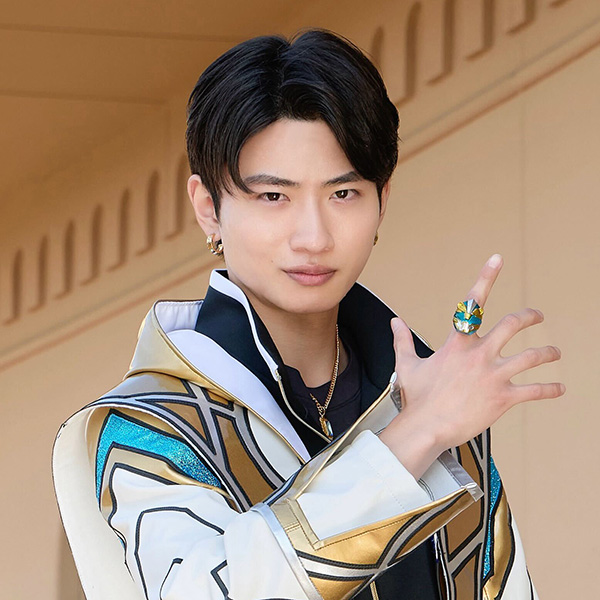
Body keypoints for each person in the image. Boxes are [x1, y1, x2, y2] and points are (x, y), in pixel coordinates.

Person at [52, 28, 564, 600]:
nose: (314, 237)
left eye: (343, 194)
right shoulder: (153, 426)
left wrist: (431, 422)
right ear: (208, 209)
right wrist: (413, 437)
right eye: (274, 196)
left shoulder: (427, 394)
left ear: (381, 201)